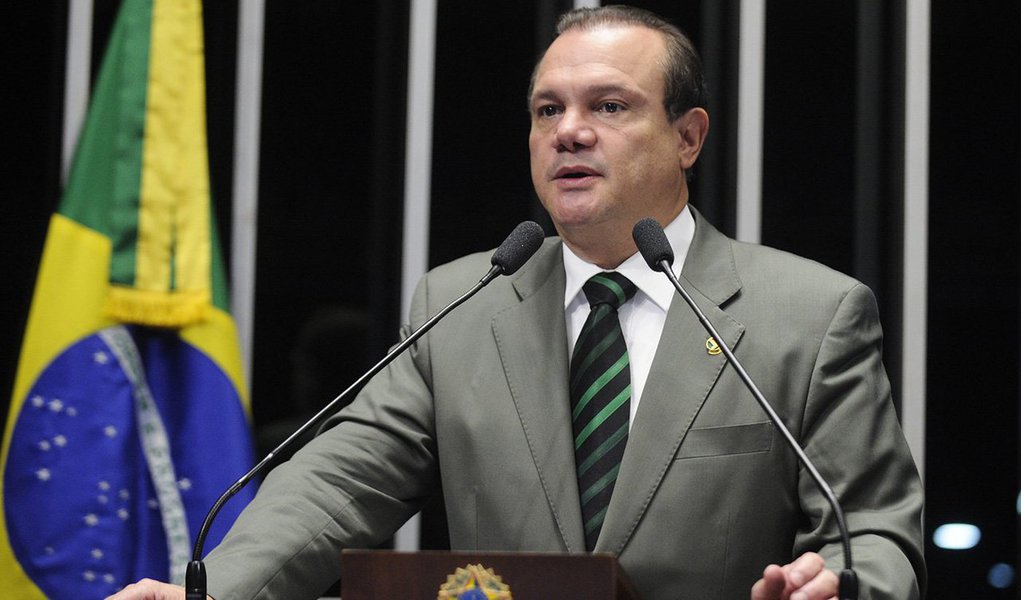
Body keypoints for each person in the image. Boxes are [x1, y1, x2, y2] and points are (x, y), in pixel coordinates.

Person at [109, 5, 925, 599]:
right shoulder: (461, 302)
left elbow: (880, 533)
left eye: (608, 106)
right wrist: (208, 594)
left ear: (688, 137)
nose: (568, 131)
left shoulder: (808, 314)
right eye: (547, 111)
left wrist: (842, 585)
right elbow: (336, 488)